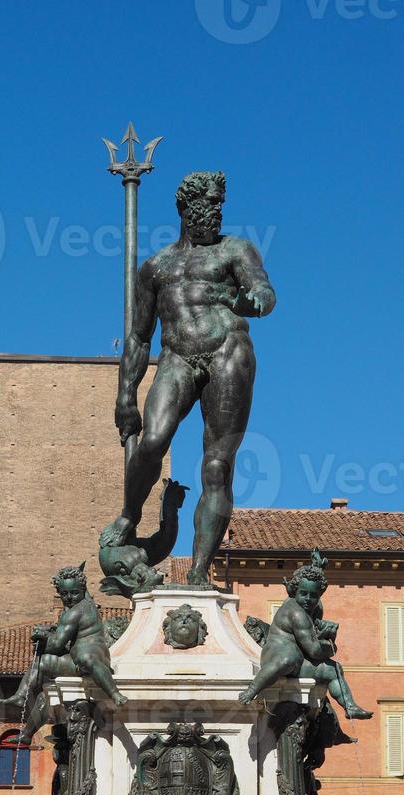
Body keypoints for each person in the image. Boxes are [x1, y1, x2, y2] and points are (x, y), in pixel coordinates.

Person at [100, 171, 276, 586]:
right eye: (205, 209)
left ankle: (198, 572)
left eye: (218, 208)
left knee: (216, 466)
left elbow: (264, 292)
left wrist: (254, 300)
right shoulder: (154, 268)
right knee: (153, 441)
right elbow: (139, 338)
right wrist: (125, 395)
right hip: (176, 356)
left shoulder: (236, 250)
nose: (214, 216)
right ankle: (130, 513)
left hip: (228, 353)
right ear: (184, 211)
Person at [1, 564, 127, 741]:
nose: (69, 597)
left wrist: (42, 638)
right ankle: (25, 716)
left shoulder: (74, 613)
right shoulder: (87, 602)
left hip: (88, 660)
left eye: (74, 593)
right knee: (44, 670)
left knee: (79, 658)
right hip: (82, 658)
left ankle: (114, 693)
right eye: (65, 594)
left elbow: (57, 645)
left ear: (82, 590)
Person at [238, 559, 372, 719]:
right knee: (287, 659)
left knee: (333, 669)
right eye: (304, 594)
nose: (308, 599)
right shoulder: (297, 613)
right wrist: (330, 643)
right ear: (295, 592)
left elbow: (314, 642)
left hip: (299, 661)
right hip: (277, 656)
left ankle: (350, 707)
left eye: (314, 596)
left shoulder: (309, 608)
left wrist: (326, 637)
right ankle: (252, 689)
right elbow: (315, 651)